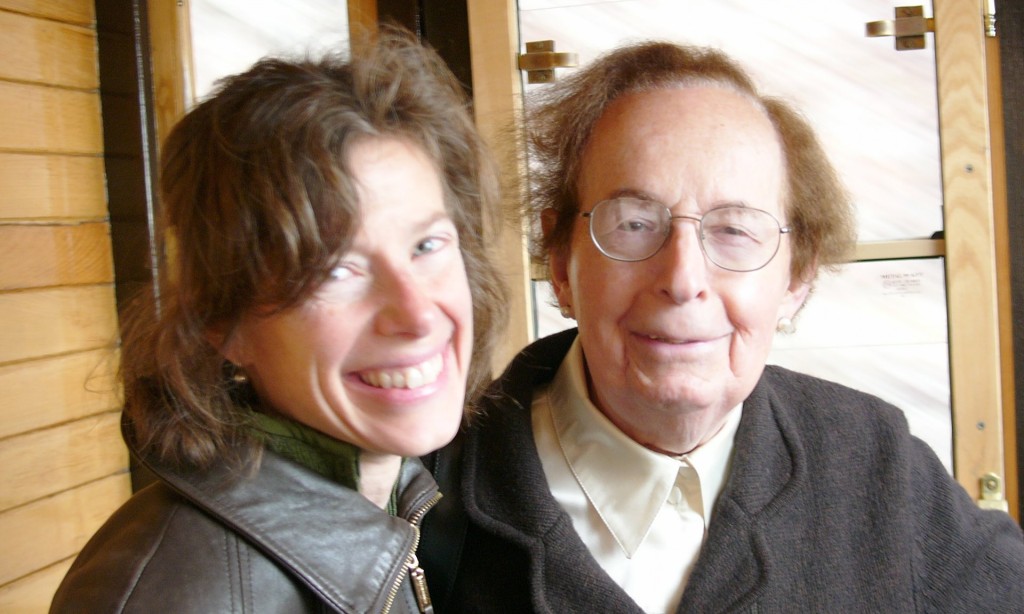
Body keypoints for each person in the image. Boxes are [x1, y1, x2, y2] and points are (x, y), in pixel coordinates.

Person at [419, 41, 1024, 612]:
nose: (683, 279)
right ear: (560, 262)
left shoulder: (880, 468)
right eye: (633, 223)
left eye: (734, 229)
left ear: (798, 278)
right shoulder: (423, 490)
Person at [50, 30, 505, 613]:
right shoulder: (177, 591)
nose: (417, 315)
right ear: (223, 321)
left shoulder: (400, 492)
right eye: (335, 271)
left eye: (426, 245)